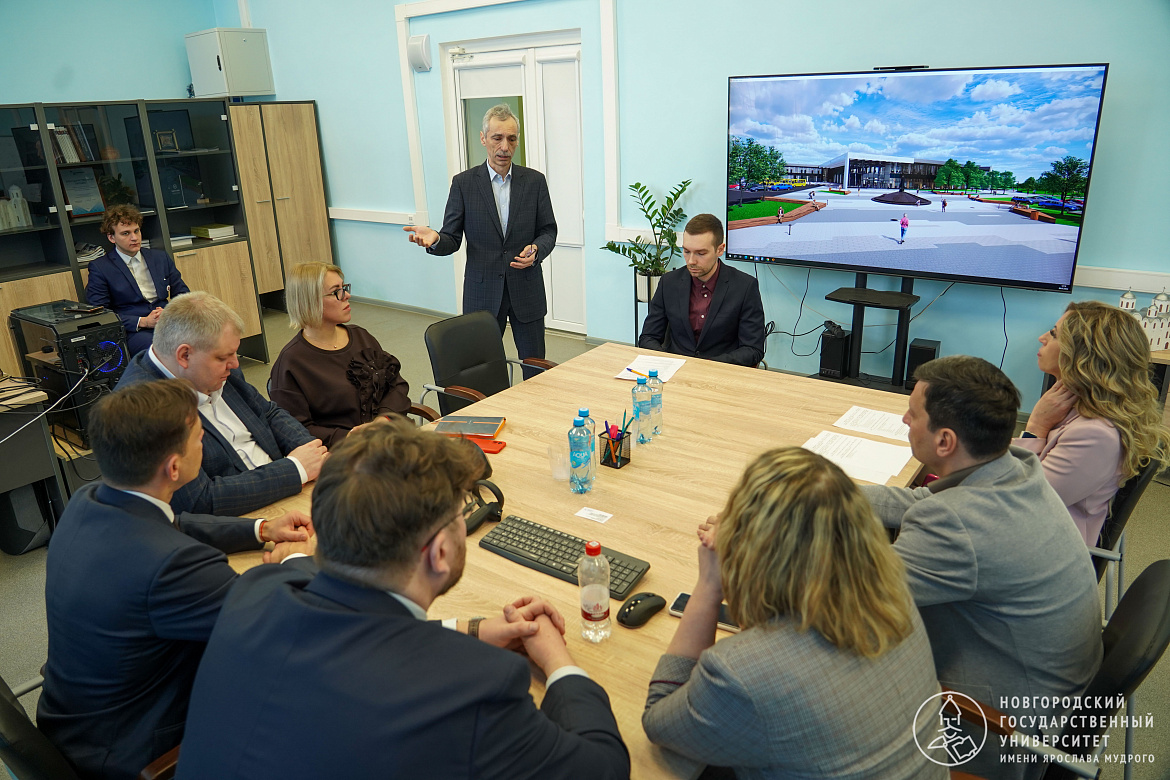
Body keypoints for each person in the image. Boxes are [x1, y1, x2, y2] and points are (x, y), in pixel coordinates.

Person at [176, 420, 630, 780]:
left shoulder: (256, 589)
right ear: (439, 552)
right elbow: (603, 767)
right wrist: (557, 660)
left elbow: (354, 642)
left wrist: (473, 630)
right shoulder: (474, 688)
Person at [37, 380, 316, 780]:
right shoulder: (174, 565)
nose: (205, 444)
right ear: (173, 467)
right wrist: (296, 562)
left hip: (79, 721)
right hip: (136, 750)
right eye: (200, 438)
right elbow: (278, 623)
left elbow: (175, 523)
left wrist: (260, 529)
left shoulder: (90, 501)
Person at [862, 355, 1102, 779]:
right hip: (1046, 691)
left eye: (913, 413)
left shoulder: (956, 525)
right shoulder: (1014, 469)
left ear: (945, 441)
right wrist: (826, 491)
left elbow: (856, 601)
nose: (904, 419)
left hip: (996, 730)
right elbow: (923, 502)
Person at [642, 447, 944, 779]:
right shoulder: (892, 589)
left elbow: (660, 722)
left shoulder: (740, 673)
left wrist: (710, 584)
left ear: (757, 552)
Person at [117, 291, 329, 516]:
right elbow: (200, 501)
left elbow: (268, 413)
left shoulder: (216, 367)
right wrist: (295, 469)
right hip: (242, 518)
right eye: (223, 357)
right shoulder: (142, 409)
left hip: (291, 491)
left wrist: (312, 453)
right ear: (184, 355)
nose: (235, 364)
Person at [403, 104, 557, 373]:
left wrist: (536, 249)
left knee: (535, 370)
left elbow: (548, 230)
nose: (505, 147)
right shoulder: (464, 184)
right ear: (483, 138)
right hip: (482, 293)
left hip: (527, 291)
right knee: (483, 371)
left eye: (511, 139)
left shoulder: (535, 182)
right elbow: (451, 238)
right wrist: (436, 238)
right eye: (497, 138)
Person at [1017, 300, 1169, 545]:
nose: (1042, 338)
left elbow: (1023, 501)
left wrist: (1035, 427)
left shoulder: (1096, 434)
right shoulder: (1070, 408)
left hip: (1043, 546)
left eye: (1054, 334)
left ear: (1083, 354)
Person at [269, 262, 411, 448]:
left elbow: (396, 385)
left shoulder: (361, 337)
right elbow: (294, 429)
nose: (347, 295)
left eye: (344, 288)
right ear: (310, 301)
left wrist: (383, 420)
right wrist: (351, 437)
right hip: (342, 452)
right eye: (336, 291)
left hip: (388, 437)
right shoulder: (291, 362)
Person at [637, 214, 765, 367]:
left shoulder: (745, 287)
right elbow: (648, 337)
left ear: (720, 249)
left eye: (701, 253)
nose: (691, 261)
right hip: (675, 369)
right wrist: (667, 362)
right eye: (686, 251)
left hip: (720, 371)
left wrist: (708, 366)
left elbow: (753, 349)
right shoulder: (669, 282)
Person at [86, 204, 191, 355]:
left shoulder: (160, 257)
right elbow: (100, 314)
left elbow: (182, 294)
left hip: (168, 321)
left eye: (136, 231)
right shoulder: (101, 268)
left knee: (206, 341)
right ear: (111, 237)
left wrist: (170, 313)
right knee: (163, 349)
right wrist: (143, 321)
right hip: (135, 331)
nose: (134, 238)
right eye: (125, 233)